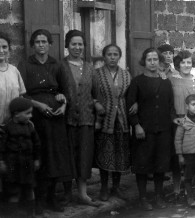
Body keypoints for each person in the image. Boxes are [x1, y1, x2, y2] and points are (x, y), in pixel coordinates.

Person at [17, 29, 72, 214]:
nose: (41, 45)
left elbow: (65, 92)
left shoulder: (57, 65)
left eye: (44, 41)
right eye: (38, 42)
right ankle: (39, 200)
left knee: (55, 157)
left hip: (56, 117)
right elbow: (22, 94)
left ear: (50, 44)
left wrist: (63, 106)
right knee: (41, 156)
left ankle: (52, 198)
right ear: (33, 45)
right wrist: (38, 105)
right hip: (36, 116)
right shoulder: (25, 65)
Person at [126, 47, 175, 211]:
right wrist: (137, 125)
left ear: (159, 62)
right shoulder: (137, 81)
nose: (153, 63)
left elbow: (169, 105)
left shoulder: (165, 81)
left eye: (155, 59)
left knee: (160, 165)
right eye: (149, 60)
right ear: (144, 62)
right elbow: (130, 105)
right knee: (143, 165)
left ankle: (159, 196)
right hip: (143, 131)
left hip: (163, 130)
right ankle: (143, 198)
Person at [61, 30, 102, 206]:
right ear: (67, 45)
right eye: (73, 44)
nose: (77, 47)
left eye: (80, 44)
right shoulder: (59, 66)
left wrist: (97, 111)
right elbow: (55, 89)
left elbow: (96, 94)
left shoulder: (90, 68)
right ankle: (67, 193)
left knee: (84, 156)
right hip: (65, 120)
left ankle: (83, 194)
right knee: (67, 155)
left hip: (86, 119)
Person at [169, 50, 195, 202]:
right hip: (179, 123)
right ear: (178, 64)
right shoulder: (171, 80)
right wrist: (173, 118)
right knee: (178, 159)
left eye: (188, 62)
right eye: (182, 62)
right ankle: (177, 190)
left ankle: (192, 193)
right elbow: (168, 103)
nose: (186, 65)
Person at [94, 44, 131, 202]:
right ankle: (104, 187)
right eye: (109, 54)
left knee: (119, 155)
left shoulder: (126, 75)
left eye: (116, 54)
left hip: (122, 120)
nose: (112, 57)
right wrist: (95, 102)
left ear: (119, 56)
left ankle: (116, 187)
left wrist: (134, 104)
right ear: (104, 56)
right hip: (105, 120)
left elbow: (131, 95)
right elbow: (89, 93)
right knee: (105, 153)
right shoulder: (96, 74)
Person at [0, 97, 40, 217]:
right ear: (16, 114)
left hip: (27, 163)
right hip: (13, 164)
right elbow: (1, 147)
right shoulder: (7, 128)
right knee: (14, 191)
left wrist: (37, 159)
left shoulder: (30, 127)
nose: (31, 116)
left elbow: (37, 144)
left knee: (29, 189)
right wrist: (1, 161)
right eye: (27, 113)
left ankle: (30, 214)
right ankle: (12, 214)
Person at [0, 32, 26, 125]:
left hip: (13, 125)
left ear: (9, 49)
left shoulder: (14, 70)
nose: (1, 50)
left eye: (4, 47)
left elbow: (20, 96)